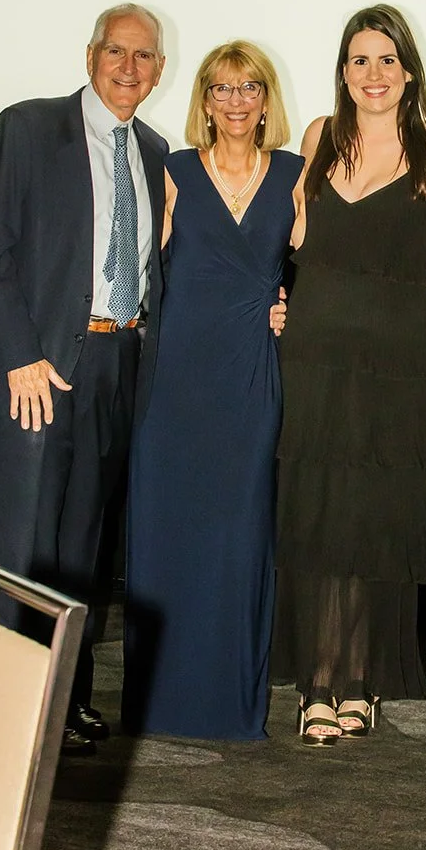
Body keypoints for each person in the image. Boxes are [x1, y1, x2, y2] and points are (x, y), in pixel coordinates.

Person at [0, 3, 168, 755]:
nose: (128, 68)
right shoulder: (27, 127)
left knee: (80, 553)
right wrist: (19, 354)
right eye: (116, 52)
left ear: (159, 71)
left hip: (114, 367)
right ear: (90, 56)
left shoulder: (151, 148)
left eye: (144, 57)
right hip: (37, 372)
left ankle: (62, 702)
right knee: (23, 553)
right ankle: (3, 713)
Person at [272, 4, 426, 744]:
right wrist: (274, 302)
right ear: (342, 70)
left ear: (409, 69)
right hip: (316, 358)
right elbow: (290, 239)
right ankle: (319, 680)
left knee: (374, 522)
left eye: (385, 59)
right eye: (358, 60)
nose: (371, 74)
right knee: (319, 519)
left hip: (399, 369)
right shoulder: (319, 136)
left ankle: (360, 679)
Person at [122, 42, 302, 740]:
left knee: (238, 538)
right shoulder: (171, 173)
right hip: (174, 386)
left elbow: (328, 266)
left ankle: (230, 704)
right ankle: (161, 700)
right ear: (203, 99)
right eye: (220, 88)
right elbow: (134, 267)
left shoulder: (293, 175)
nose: (234, 101)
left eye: (248, 87)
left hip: (250, 381)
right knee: (169, 533)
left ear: (265, 99)